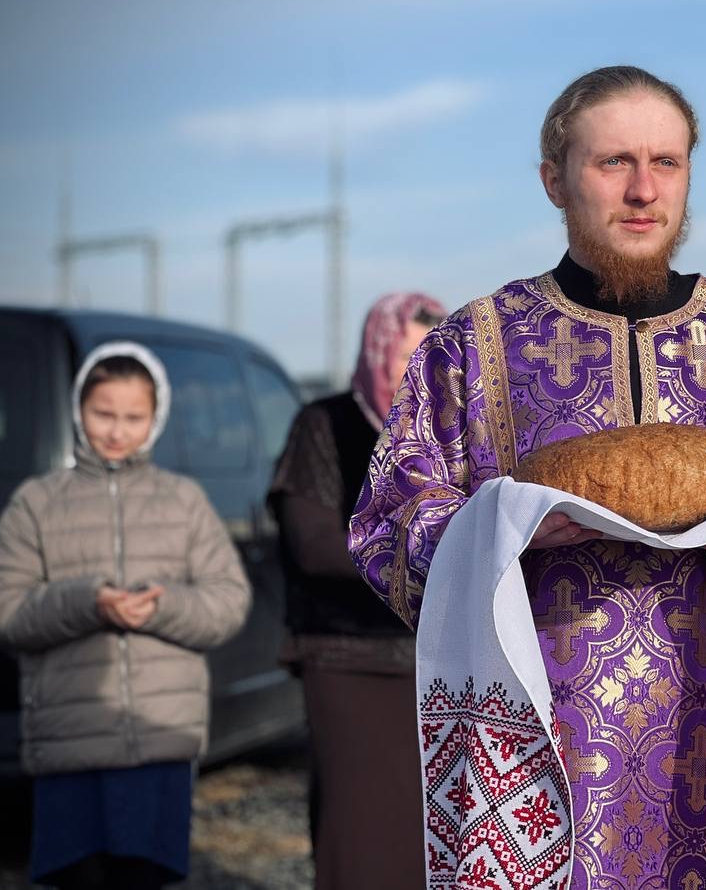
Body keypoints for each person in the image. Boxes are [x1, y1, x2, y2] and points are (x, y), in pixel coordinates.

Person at [348, 65, 706, 887]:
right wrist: (503, 533)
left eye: (666, 162)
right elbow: (387, 521)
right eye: (614, 162)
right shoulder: (470, 349)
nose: (644, 189)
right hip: (537, 742)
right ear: (554, 181)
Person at [0, 342, 251, 890]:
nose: (117, 431)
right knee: (79, 878)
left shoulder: (183, 501)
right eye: (103, 414)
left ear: (155, 418)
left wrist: (162, 606)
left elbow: (229, 601)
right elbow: (10, 613)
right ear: (78, 409)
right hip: (69, 744)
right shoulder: (36, 503)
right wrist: (88, 602)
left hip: (159, 742)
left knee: (144, 878)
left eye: (133, 417)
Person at [268, 292, 446, 890]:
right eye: (404, 356)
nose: (416, 371)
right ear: (376, 352)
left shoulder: (449, 437)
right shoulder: (324, 425)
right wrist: (424, 550)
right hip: (347, 659)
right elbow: (313, 544)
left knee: (429, 831)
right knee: (360, 826)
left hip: (432, 661)